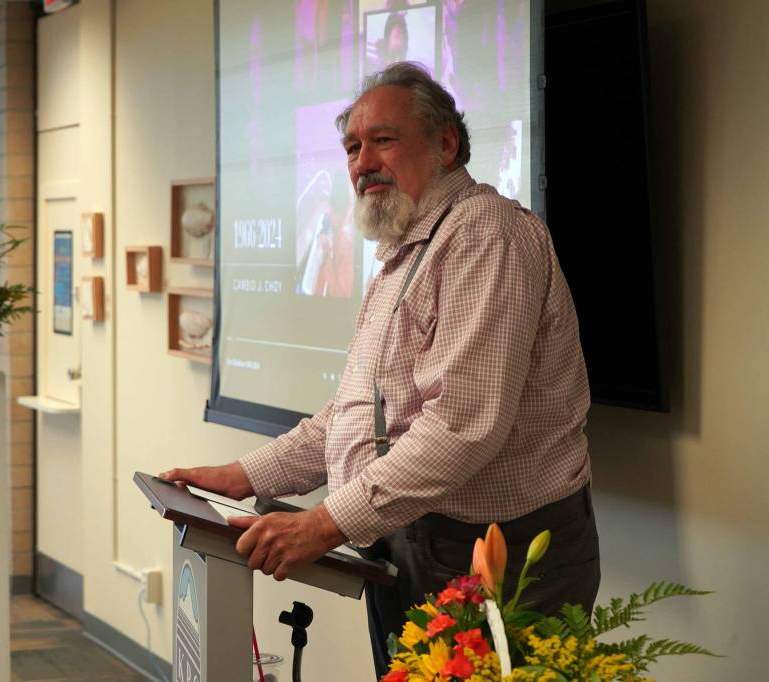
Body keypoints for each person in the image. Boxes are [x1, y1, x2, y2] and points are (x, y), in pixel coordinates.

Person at [161, 61, 599, 679]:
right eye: (351, 147)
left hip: (505, 554)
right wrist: (240, 475)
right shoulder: (406, 249)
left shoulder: (486, 236)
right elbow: (356, 417)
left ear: (445, 142)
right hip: (419, 539)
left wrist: (321, 523)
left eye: (382, 140)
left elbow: (462, 427)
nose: (362, 161)